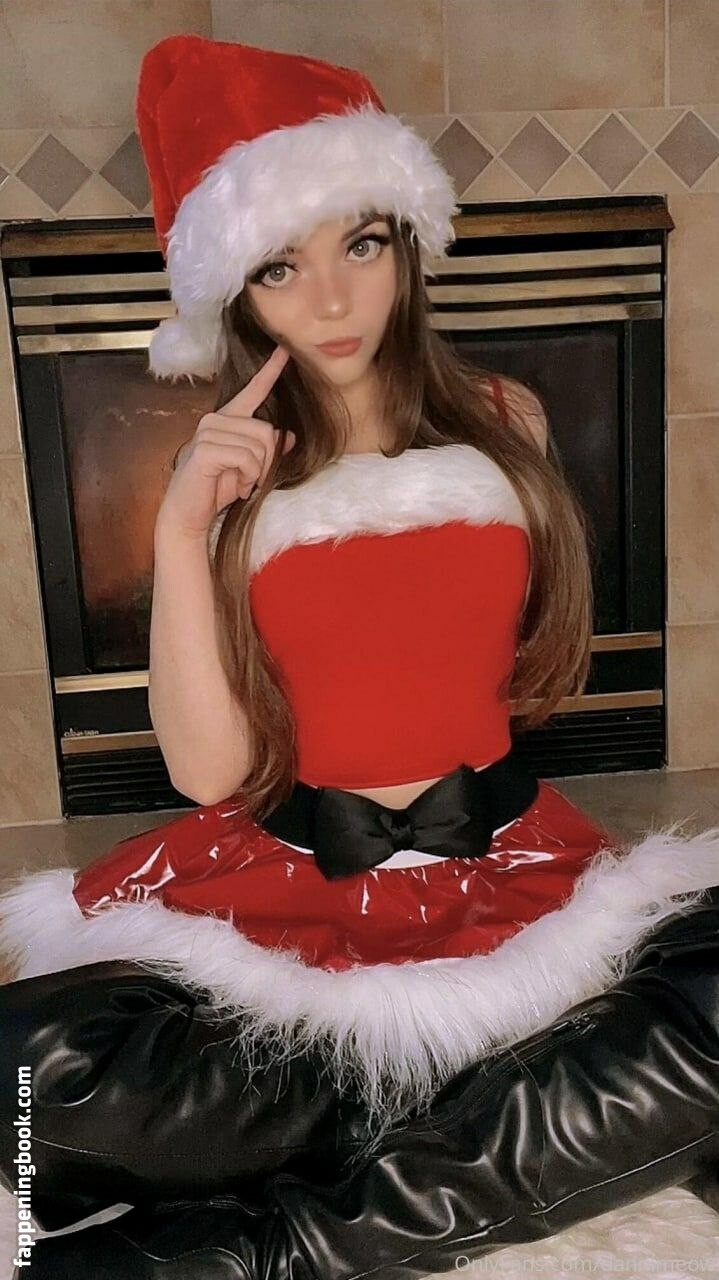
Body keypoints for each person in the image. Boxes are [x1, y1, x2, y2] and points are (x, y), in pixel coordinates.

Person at [0, 31, 718, 1280]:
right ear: (238, 290)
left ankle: (253, 1249)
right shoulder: (223, 478)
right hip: (289, 887)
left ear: (405, 243)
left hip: (509, 874)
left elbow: (508, 662)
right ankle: (497, 1106)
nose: (331, 302)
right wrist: (179, 531)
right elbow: (209, 772)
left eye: (361, 246)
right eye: (281, 266)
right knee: (26, 1076)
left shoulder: (506, 421)